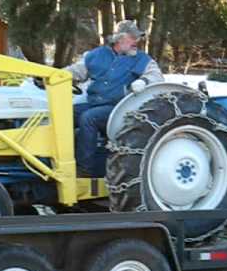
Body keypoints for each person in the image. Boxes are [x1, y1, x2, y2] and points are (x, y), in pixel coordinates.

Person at [65, 20, 164, 177]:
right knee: (65, 114)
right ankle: (62, 160)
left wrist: (143, 81)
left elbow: (156, 76)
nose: (136, 41)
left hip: (120, 109)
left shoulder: (142, 59)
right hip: (95, 103)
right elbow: (75, 71)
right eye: (133, 37)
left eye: (137, 38)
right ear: (120, 39)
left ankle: (83, 170)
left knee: (88, 118)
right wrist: (51, 76)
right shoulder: (95, 55)